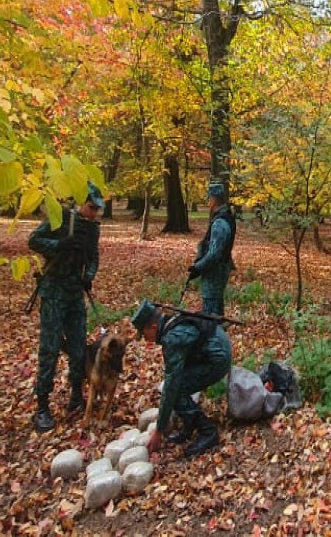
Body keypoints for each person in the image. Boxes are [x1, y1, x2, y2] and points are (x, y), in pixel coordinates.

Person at [28, 181, 103, 432]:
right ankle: (42, 406)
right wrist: (58, 245)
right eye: (91, 207)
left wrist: (88, 275)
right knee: (49, 348)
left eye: (97, 209)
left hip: (74, 294)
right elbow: (34, 240)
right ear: (81, 202)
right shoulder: (60, 218)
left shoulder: (92, 229)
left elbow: (93, 258)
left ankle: (76, 396)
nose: (94, 213)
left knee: (78, 347)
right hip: (53, 291)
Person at [132, 299, 231, 458]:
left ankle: (208, 432)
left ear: (153, 327)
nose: (145, 338)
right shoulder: (170, 323)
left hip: (218, 359)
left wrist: (159, 429)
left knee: (176, 390)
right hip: (210, 351)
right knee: (175, 387)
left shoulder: (173, 338)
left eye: (144, 334)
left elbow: (172, 384)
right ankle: (189, 425)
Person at [187, 181, 236, 316]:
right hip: (217, 271)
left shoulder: (220, 222)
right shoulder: (225, 217)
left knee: (211, 317)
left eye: (209, 198)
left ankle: (215, 336)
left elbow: (214, 254)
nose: (208, 202)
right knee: (216, 314)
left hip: (215, 274)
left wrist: (198, 267)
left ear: (214, 199)